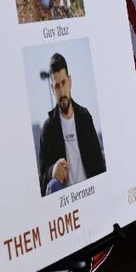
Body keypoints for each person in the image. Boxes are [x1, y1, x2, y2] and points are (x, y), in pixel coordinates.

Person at [38, 53, 106, 196]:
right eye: (57, 86)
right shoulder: (48, 129)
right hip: (67, 203)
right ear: (52, 89)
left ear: (70, 81)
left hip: (90, 193)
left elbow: (100, 165)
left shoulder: (85, 117)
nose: (62, 92)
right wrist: (52, 171)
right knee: (53, 184)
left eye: (63, 83)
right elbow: (40, 182)